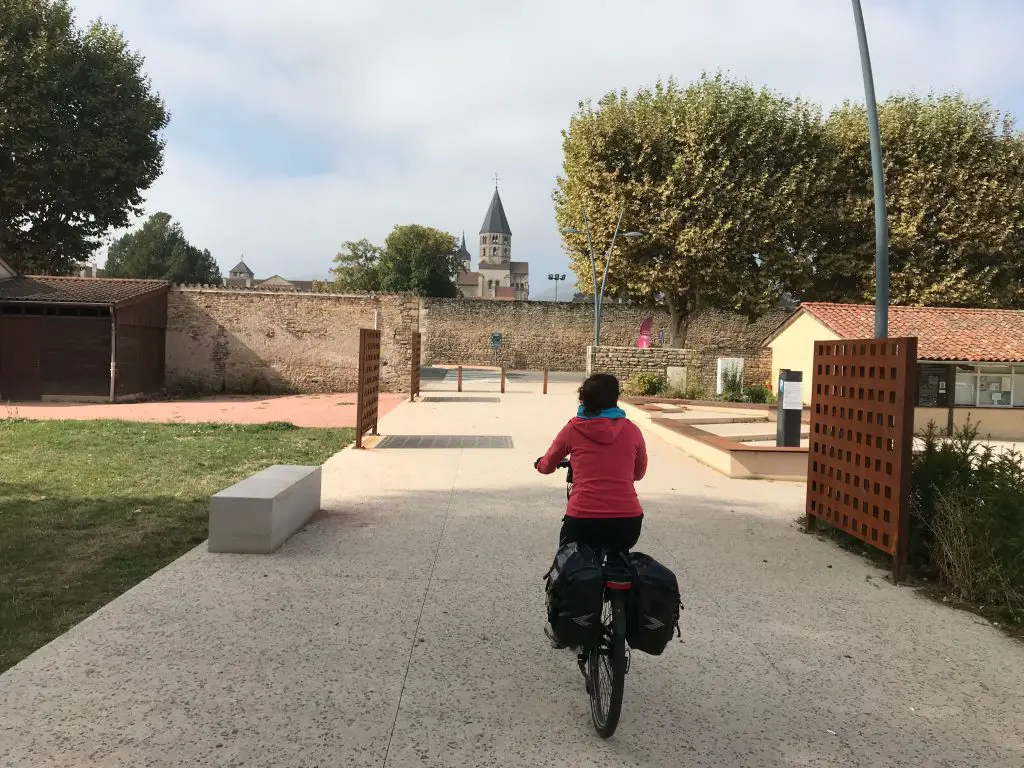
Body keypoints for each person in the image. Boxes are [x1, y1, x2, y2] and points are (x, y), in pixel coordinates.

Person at [535, 373, 648, 646]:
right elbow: (639, 472)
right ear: (616, 398)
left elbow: (548, 464)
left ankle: (562, 632)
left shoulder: (574, 428)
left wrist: (540, 464)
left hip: (583, 519)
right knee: (618, 561)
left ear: (583, 399)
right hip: (628, 521)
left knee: (565, 568)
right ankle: (621, 610)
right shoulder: (631, 429)